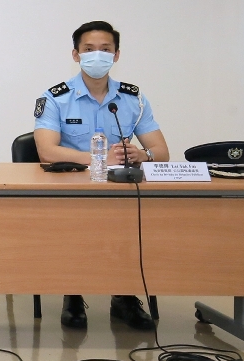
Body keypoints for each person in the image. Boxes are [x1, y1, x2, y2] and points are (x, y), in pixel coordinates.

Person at [33, 20, 169, 331]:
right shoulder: (55, 97)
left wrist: (142, 155)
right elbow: (46, 151)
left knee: (133, 222)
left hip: (119, 191)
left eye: (105, 49)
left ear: (116, 55)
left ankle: (124, 296)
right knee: (77, 223)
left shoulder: (133, 99)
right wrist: (99, 158)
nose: (98, 55)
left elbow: (161, 151)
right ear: (76, 54)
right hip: (70, 191)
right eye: (89, 49)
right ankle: (73, 293)